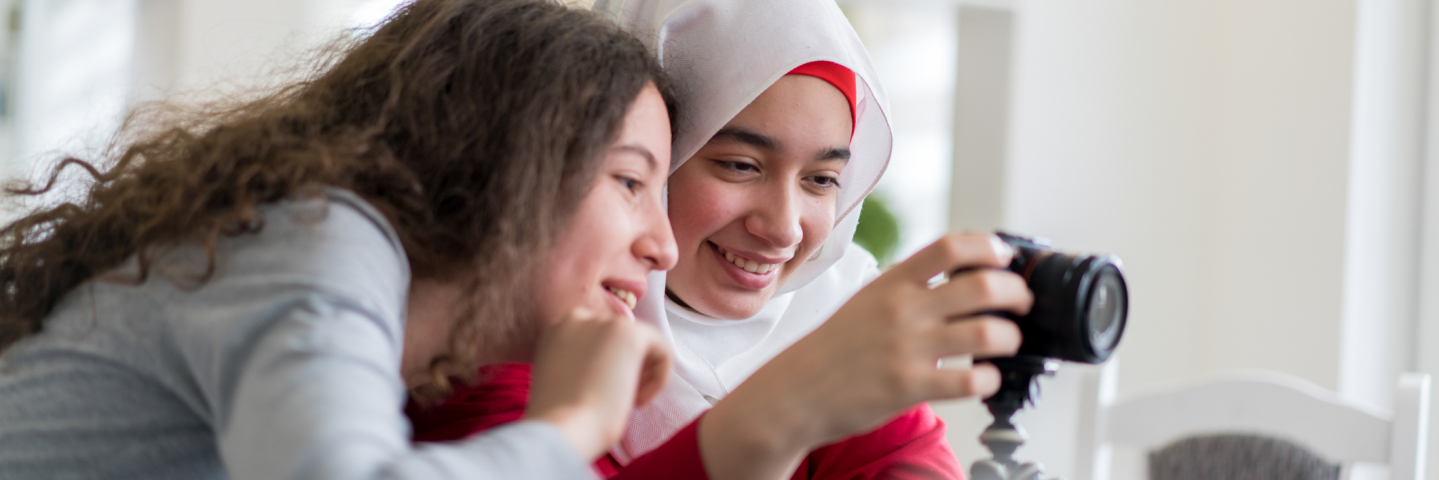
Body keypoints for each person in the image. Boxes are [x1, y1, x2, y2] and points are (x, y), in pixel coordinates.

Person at [0, 0, 683, 478]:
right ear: (504, 162)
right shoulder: (320, 240)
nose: (664, 246)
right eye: (629, 182)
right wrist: (573, 422)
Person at [408, 0, 1034, 479]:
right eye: (740, 165)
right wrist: (782, 412)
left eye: (822, 180)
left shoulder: (831, 316)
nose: (785, 227)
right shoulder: (519, 324)